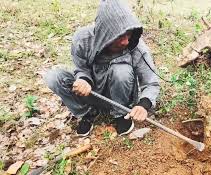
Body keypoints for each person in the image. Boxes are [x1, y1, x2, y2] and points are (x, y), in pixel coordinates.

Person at [44, 0, 160, 137]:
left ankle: (120, 114)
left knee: (121, 71)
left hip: (121, 95)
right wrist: (82, 80)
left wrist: (143, 105)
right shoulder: (82, 40)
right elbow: (80, 68)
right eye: (119, 36)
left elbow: (151, 83)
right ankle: (88, 113)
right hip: (92, 93)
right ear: (104, 33)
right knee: (53, 77)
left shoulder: (137, 47)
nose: (126, 41)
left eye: (128, 33)